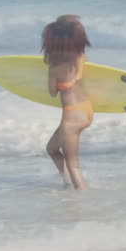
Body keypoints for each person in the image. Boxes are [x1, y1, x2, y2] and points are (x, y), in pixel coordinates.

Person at [43, 14, 93, 190]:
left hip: (71, 118)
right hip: (86, 111)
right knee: (51, 149)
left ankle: (83, 198)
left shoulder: (54, 67)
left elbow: (52, 92)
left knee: (73, 163)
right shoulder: (81, 57)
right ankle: (66, 183)